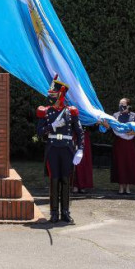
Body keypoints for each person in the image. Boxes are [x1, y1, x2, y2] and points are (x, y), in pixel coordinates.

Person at [36, 75, 84, 223]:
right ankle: (54, 212)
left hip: (67, 149)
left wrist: (80, 149)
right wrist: (52, 126)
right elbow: (39, 132)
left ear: (60, 95)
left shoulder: (71, 111)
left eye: (53, 95)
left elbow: (80, 132)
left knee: (65, 180)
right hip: (52, 149)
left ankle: (65, 212)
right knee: (54, 180)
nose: (50, 97)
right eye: (49, 94)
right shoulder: (46, 111)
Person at [100, 98, 135, 195]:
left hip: (129, 144)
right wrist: (104, 124)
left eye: (123, 104)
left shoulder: (134, 116)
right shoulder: (115, 115)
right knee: (119, 164)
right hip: (119, 144)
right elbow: (109, 127)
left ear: (128, 105)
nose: (121, 105)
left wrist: (133, 132)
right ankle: (121, 187)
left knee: (129, 164)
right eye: (120, 104)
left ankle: (127, 187)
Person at [72, 128, 94, 194]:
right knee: (74, 160)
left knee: (83, 160)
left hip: (84, 135)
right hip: (73, 135)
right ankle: (74, 185)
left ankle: (83, 186)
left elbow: (93, 127)